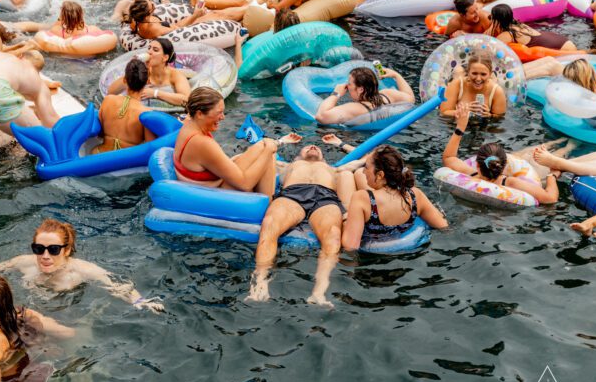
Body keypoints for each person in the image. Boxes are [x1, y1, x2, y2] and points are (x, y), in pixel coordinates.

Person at [247, 143, 358, 305]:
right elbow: (262, 154)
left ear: (324, 157)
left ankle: (319, 292)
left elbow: (367, 158)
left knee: (333, 234)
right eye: (307, 147)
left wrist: (339, 143)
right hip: (292, 195)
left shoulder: (335, 168)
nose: (313, 146)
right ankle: (260, 282)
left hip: (325, 197)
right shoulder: (287, 165)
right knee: (270, 223)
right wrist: (281, 141)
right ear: (297, 155)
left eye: (317, 148)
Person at [0, 218, 163, 312]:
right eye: (39, 248)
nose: (45, 256)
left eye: (54, 250)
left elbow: (117, 285)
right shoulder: (23, 263)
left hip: (68, 309)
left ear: (66, 250)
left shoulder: (82, 270)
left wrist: (140, 302)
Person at [443, 102, 559, 203]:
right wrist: (552, 175)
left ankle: (558, 144)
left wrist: (461, 127)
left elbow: (449, 158)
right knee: (536, 156)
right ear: (504, 167)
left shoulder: (470, 174)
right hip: (522, 177)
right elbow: (551, 198)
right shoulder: (512, 183)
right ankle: (564, 144)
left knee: (524, 155)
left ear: (477, 165)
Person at [173, 87, 277, 196]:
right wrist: (269, 150)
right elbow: (245, 184)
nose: (223, 117)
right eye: (219, 113)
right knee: (269, 154)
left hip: (209, 184)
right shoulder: (202, 143)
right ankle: (269, 205)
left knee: (260, 147)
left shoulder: (188, 126)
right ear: (199, 114)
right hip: (218, 194)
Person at [341, 145, 447, 250]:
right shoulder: (415, 194)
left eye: (366, 167)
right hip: (406, 253)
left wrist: (345, 219)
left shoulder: (362, 198)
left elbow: (351, 246)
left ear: (380, 175)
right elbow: (443, 226)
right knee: (358, 174)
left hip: (373, 257)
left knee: (345, 175)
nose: (364, 171)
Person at [0, 51, 60, 165]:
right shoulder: (37, 79)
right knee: (38, 136)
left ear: (20, 56)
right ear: (38, 70)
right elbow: (49, 118)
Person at [315, 65, 415, 125]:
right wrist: (396, 75)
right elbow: (410, 98)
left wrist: (336, 94)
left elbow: (320, 116)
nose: (347, 86)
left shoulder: (354, 108)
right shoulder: (388, 94)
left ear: (360, 89)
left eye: (349, 83)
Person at [108, 38, 191, 108]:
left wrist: (155, 93)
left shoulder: (175, 75)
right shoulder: (143, 72)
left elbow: (187, 100)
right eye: (149, 48)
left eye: (155, 50)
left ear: (165, 57)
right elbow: (111, 92)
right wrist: (131, 71)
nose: (149, 52)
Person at [95, 58, 155, 153]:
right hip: (124, 163)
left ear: (124, 80)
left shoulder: (108, 100)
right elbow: (150, 148)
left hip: (98, 154)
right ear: (147, 81)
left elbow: (99, 134)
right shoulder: (146, 113)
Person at [125, 0, 246, 41]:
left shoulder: (135, 21)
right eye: (151, 5)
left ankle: (246, 9)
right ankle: (249, 8)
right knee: (217, 15)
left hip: (176, 26)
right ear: (147, 14)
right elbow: (178, 30)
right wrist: (195, 16)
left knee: (213, 13)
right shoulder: (154, 29)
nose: (153, 3)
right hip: (183, 31)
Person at [440, 51, 507, 117]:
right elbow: (444, 112)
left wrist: (489, 116)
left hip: (484, 126)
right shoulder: (457, 84)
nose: (478, 79)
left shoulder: (496, 91)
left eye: (483, 74)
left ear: (490, 74)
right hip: (456, 124)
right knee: (457, 72)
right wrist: (463, 111)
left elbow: (499, 117)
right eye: (474, 73)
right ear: (468, 72)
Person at [487, 3, 578, 52]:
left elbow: (489, 49)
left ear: (497, 20)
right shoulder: (519, 24)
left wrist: (490, 28)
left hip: (563, 49)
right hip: (563, 41)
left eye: (491, 18)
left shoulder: (508, 34)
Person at [14, 0, 109, 44]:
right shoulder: (92, 29)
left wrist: (60, 19)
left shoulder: (57, 31)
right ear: (81, 14)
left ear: (62, 17)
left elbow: (50, 31)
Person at [234, 9, 300, 68]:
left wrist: (238, 43)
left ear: (275, 25)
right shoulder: (300, 45)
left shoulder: (270, 50)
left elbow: (240, 70)